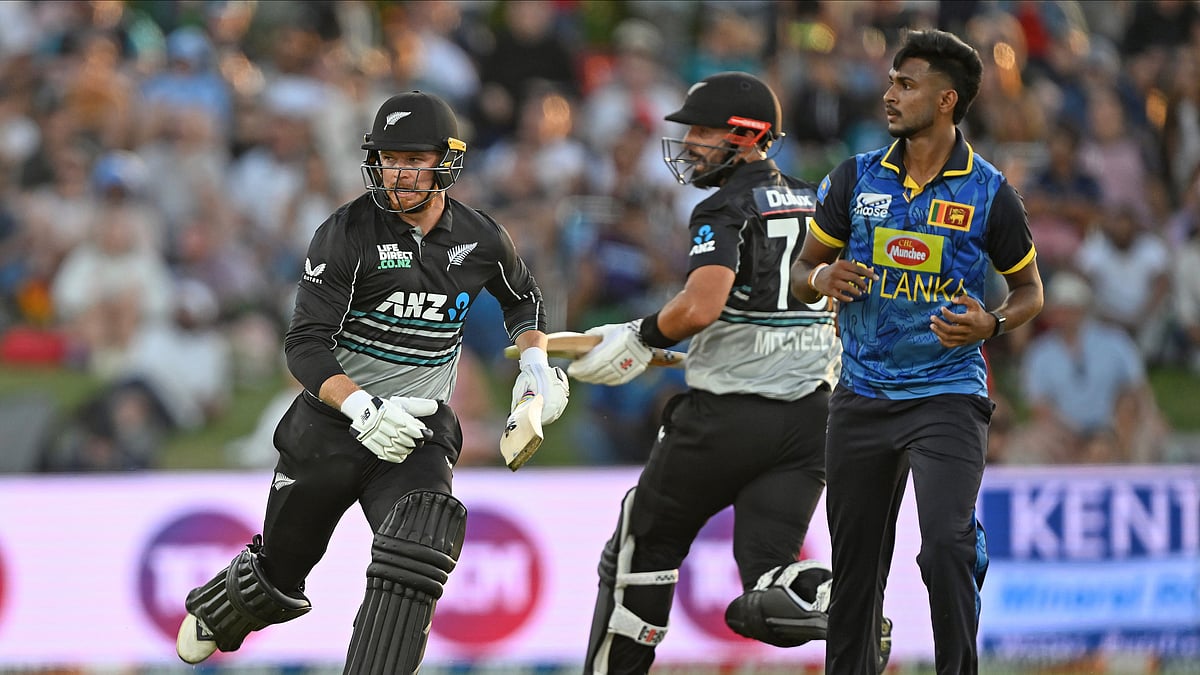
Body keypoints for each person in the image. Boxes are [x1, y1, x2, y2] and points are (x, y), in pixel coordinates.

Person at [174, 91, 570, 673]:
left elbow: (523, 298)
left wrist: (535, 364)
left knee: (421, 543)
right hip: (332, 426)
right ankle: (228, 606)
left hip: (418, 428)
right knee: (282, 570)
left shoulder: (481, 237)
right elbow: (304, 345)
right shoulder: (346, 233)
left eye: (413, 159)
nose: (398, 173)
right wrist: (362, 408)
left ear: (446, 162)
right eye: (388, 159)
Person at [567, 71, 843, 673]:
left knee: (642, 545)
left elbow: (700, 307)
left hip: (728, 417)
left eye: (701, 131)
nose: (689, 144)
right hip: (812, 420)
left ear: (745, 135)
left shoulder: (723, 207)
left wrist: (641, 336)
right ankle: (842, 602)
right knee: (769, 580)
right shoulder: (821, 199)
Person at [789, 29, 1044, 675]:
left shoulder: (988, 190)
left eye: (907, 84)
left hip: (947, 394)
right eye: (891, 82)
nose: (890, 94)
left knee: (946, 549)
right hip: (862, 394)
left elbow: (1031, 291)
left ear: (947, 99)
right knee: (855, 572)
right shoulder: (856, 177)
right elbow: (800, 271)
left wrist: (992, 322)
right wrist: (822, 277)